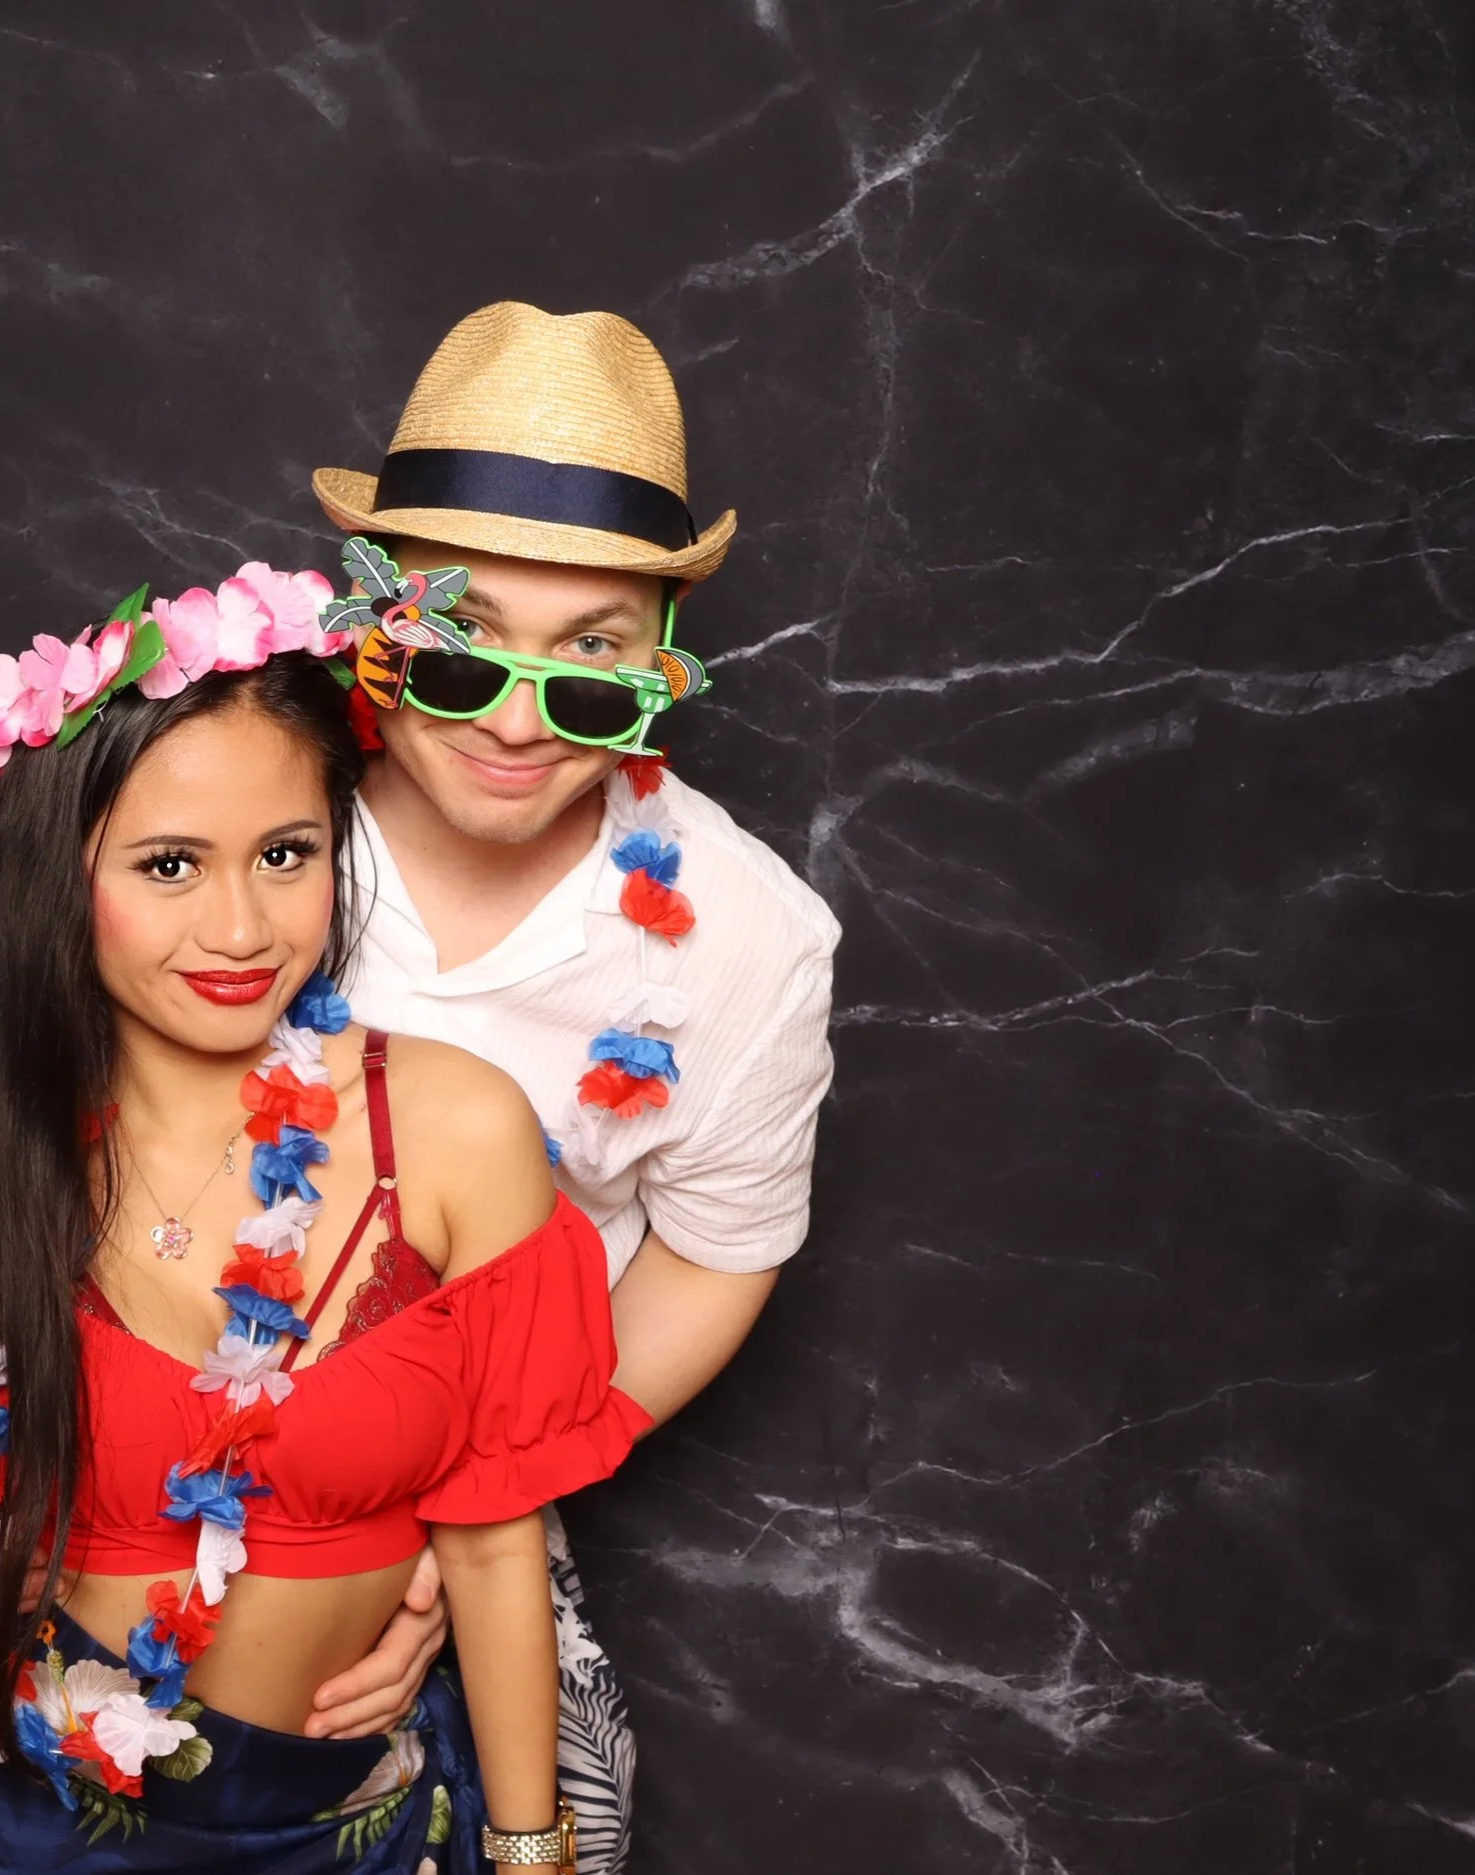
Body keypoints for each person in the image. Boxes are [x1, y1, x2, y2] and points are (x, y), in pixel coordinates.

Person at [0, 567, 649, 1870]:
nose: (240, 925)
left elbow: (498, 1549)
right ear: (63, 877)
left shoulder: (451, 1130)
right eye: (170, 864)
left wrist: (534, 1858)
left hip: (347, 1817)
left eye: (285, 855)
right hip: (25, 1819)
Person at [293, 303, 842, 1874]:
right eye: (466, 640)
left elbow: (719, 1251)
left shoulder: (745, 935)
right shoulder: (234, 810)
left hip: (474, 1510)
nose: (524, 722)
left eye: (593, 655)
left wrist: (475, 1507)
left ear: (665, 654)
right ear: (373, 608)